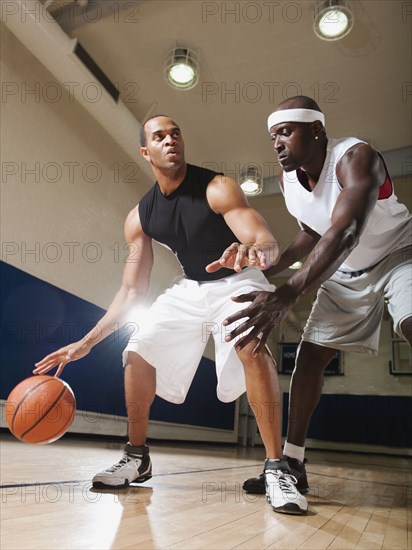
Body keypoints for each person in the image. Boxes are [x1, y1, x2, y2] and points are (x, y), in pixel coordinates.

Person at [34, 115, 308, 515]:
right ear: (146, 152)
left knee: (250, 343)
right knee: (137, 350)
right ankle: (136, 457)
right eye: (159, 136)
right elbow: (131, 290)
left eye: (175, 133)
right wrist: (85, 343)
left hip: (238, 277)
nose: (170, 140)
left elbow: (262, 238)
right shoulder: (140, 216)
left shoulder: (217, 187)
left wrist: (259, 253)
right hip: (191, 286)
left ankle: (275, 467)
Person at [207, 96, 412, 495]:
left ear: (316, 130)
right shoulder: (288, 181)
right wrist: (267, 269)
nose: (277, 144)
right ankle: (293, 461)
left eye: (286, 132)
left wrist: (287, 294)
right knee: (311, 356)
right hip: (346, 269)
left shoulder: (355, 157)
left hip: (399, 253)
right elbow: (314, 232)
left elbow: (346, 230)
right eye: (273, 137)